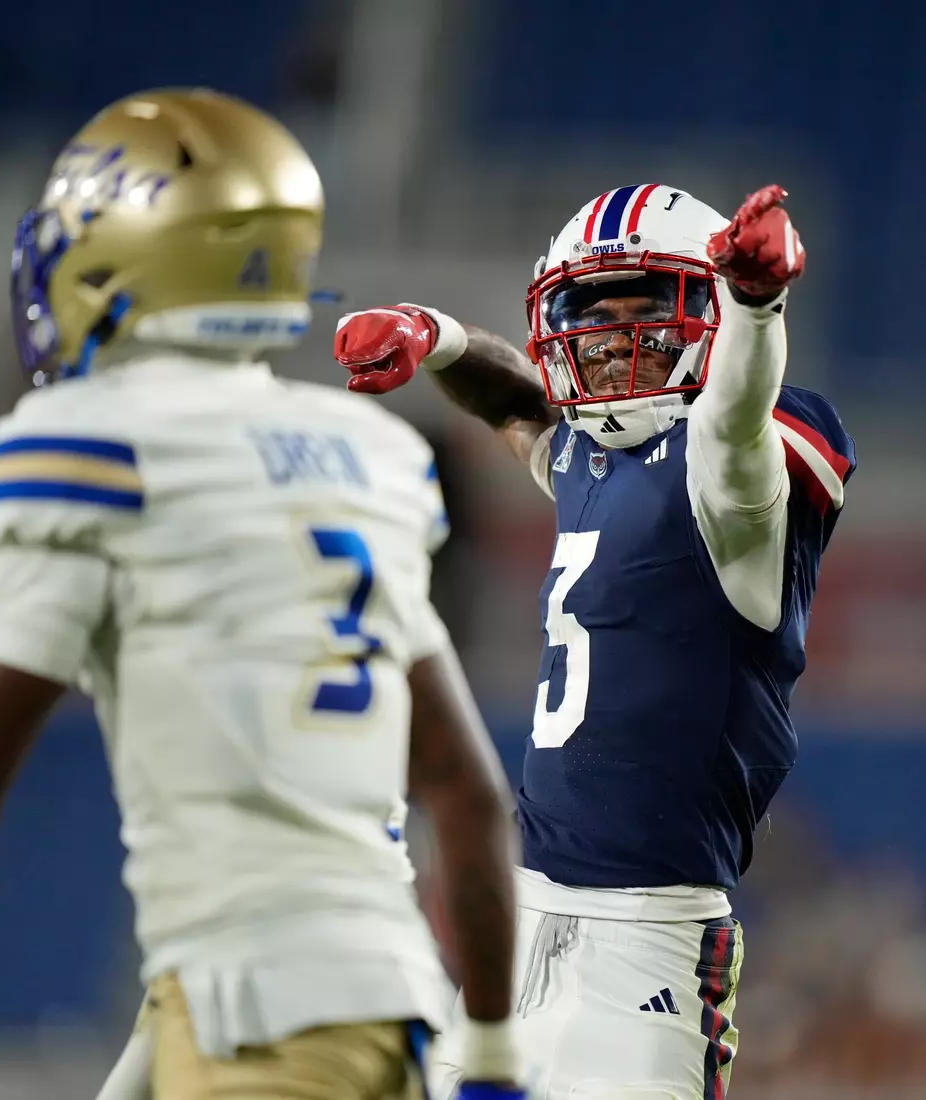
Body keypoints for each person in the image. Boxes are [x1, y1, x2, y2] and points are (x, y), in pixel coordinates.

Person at [0, 87, 525, 1100]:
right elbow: (466, 790)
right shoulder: (367, 451)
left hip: (259, 1018)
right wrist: (496, 1057)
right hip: (373, 1000)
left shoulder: (79, 448)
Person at [334, 183, 857, 1100]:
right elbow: (512, 400)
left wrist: (757, 305)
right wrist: (435, 337)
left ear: (705, 309)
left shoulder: (727, 480)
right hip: (522, 919)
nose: (615, 338)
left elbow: (734, 422)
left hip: (649, 949)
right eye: (593, 313)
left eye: (646, 311)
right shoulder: (589, 456)